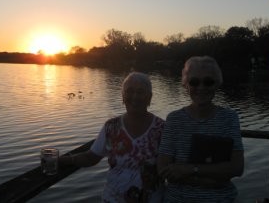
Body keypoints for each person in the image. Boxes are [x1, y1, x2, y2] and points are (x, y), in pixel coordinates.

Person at [60, 72, 165, 202]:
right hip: (113, 199)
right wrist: (63, 160)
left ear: (149, 97)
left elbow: (171, 165)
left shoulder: (162, 129)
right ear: (122, 96)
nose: (135, 96)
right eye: (129, 91)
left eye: (140, 92)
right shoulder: (111, 127)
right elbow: (91, 157)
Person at [158, 56, 244, 203]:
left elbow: (237, 167)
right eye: (194, 82)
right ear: (186, 85)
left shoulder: (229, 118)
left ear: (217, 84)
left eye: (208, 81)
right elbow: (162, 168)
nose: (201, 88)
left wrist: (188, 170)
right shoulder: (174, 119)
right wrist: (215, 181)